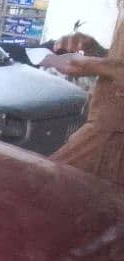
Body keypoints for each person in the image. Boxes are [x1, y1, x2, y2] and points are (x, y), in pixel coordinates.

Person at [42, 11, 124, 188]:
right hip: (103, 128)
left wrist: (91, 64)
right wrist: (96, 51)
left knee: (40, 188)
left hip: (111, 137)